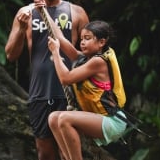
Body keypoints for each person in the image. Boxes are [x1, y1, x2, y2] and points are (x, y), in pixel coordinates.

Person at [5, 0, 89, 160]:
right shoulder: (26, 13)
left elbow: (88, 54)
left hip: (69, 92)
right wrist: (21, 30)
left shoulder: (76, 13)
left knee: (68, 151)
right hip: (39, 91)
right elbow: (11, 54)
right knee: (45, 153)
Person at [46, 19, 127, 160]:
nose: (82, 42)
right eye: (82, 38)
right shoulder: (84, 58)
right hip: (99, 118)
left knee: (64, 118)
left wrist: (56, 53)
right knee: (53, 118)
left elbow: (66, 78)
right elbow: (59, 37)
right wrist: (43, 10)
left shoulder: (98, 62)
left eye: (87, 38)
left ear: (102, 42)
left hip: (112, 120)